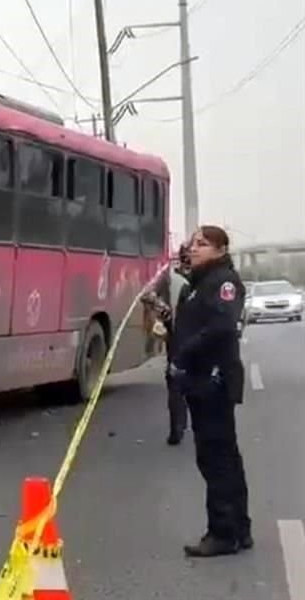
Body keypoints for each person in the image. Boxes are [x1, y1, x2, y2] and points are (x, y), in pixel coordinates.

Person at [168, 225, 252, 557]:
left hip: (213, 381)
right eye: (193, 243)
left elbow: (220, 327)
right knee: (223, 458)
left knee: (217, 460)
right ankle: (239, 529)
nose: (194, 248)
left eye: (203, 244)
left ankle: (223, 533)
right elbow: (194, 324)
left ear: (220, 249)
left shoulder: (223, 282)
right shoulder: (198, 284)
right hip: (200, 381)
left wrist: (184, 355)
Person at [142, 244, 192, 445]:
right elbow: (147, 295)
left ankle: (185, 425)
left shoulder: (212, 279)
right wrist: (163, 311)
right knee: (176, 382)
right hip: (178, 336)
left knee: (190, 384)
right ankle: (178, 428)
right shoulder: (169, 277)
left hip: (200, 338)